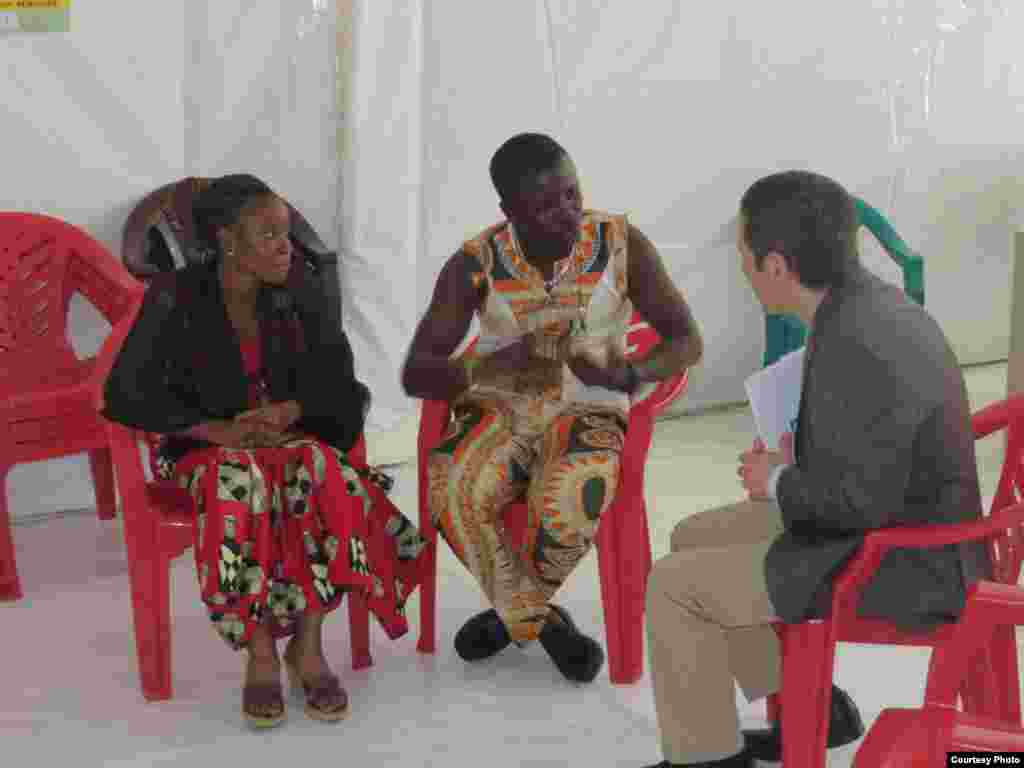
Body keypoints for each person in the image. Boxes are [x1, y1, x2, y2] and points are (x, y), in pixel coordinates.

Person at [640, 170, 989, 767]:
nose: (746, 275)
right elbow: (871, 453)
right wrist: (793, 458)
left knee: (675, 588)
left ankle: (707, 760)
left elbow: (853, 505)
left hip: (901, 561)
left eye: (747, 261)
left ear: (778, 266)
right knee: (691, 538)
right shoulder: (864, 306)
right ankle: (810, 706)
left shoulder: (857, 337)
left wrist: (775, 479)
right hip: (911, 528)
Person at [103, 174, 426, 729]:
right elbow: (125, 394)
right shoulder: (174, 298)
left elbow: (344, 391)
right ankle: (258, 652)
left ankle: (307, 645)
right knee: (240, 482)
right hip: (205, 450)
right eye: (270, 234)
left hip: (290, 444)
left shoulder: (303, 294)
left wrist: (291, 412)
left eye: (286, 232)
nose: (286, 246)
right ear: (229, 242)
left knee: (327, 473)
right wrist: (214, 429)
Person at [402, 133, 702, 683]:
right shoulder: (475, 262)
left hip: (589, 409)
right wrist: (499, 363)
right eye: (545, 205)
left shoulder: (620, 241)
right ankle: (541, 622)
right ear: (508, 211)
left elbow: (685, 339)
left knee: (574, 485)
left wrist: (634, 374)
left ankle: (513, 616)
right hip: (498, 410)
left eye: (572, 194)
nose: (567, 213)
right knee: (451, 486)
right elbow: (417, 371)